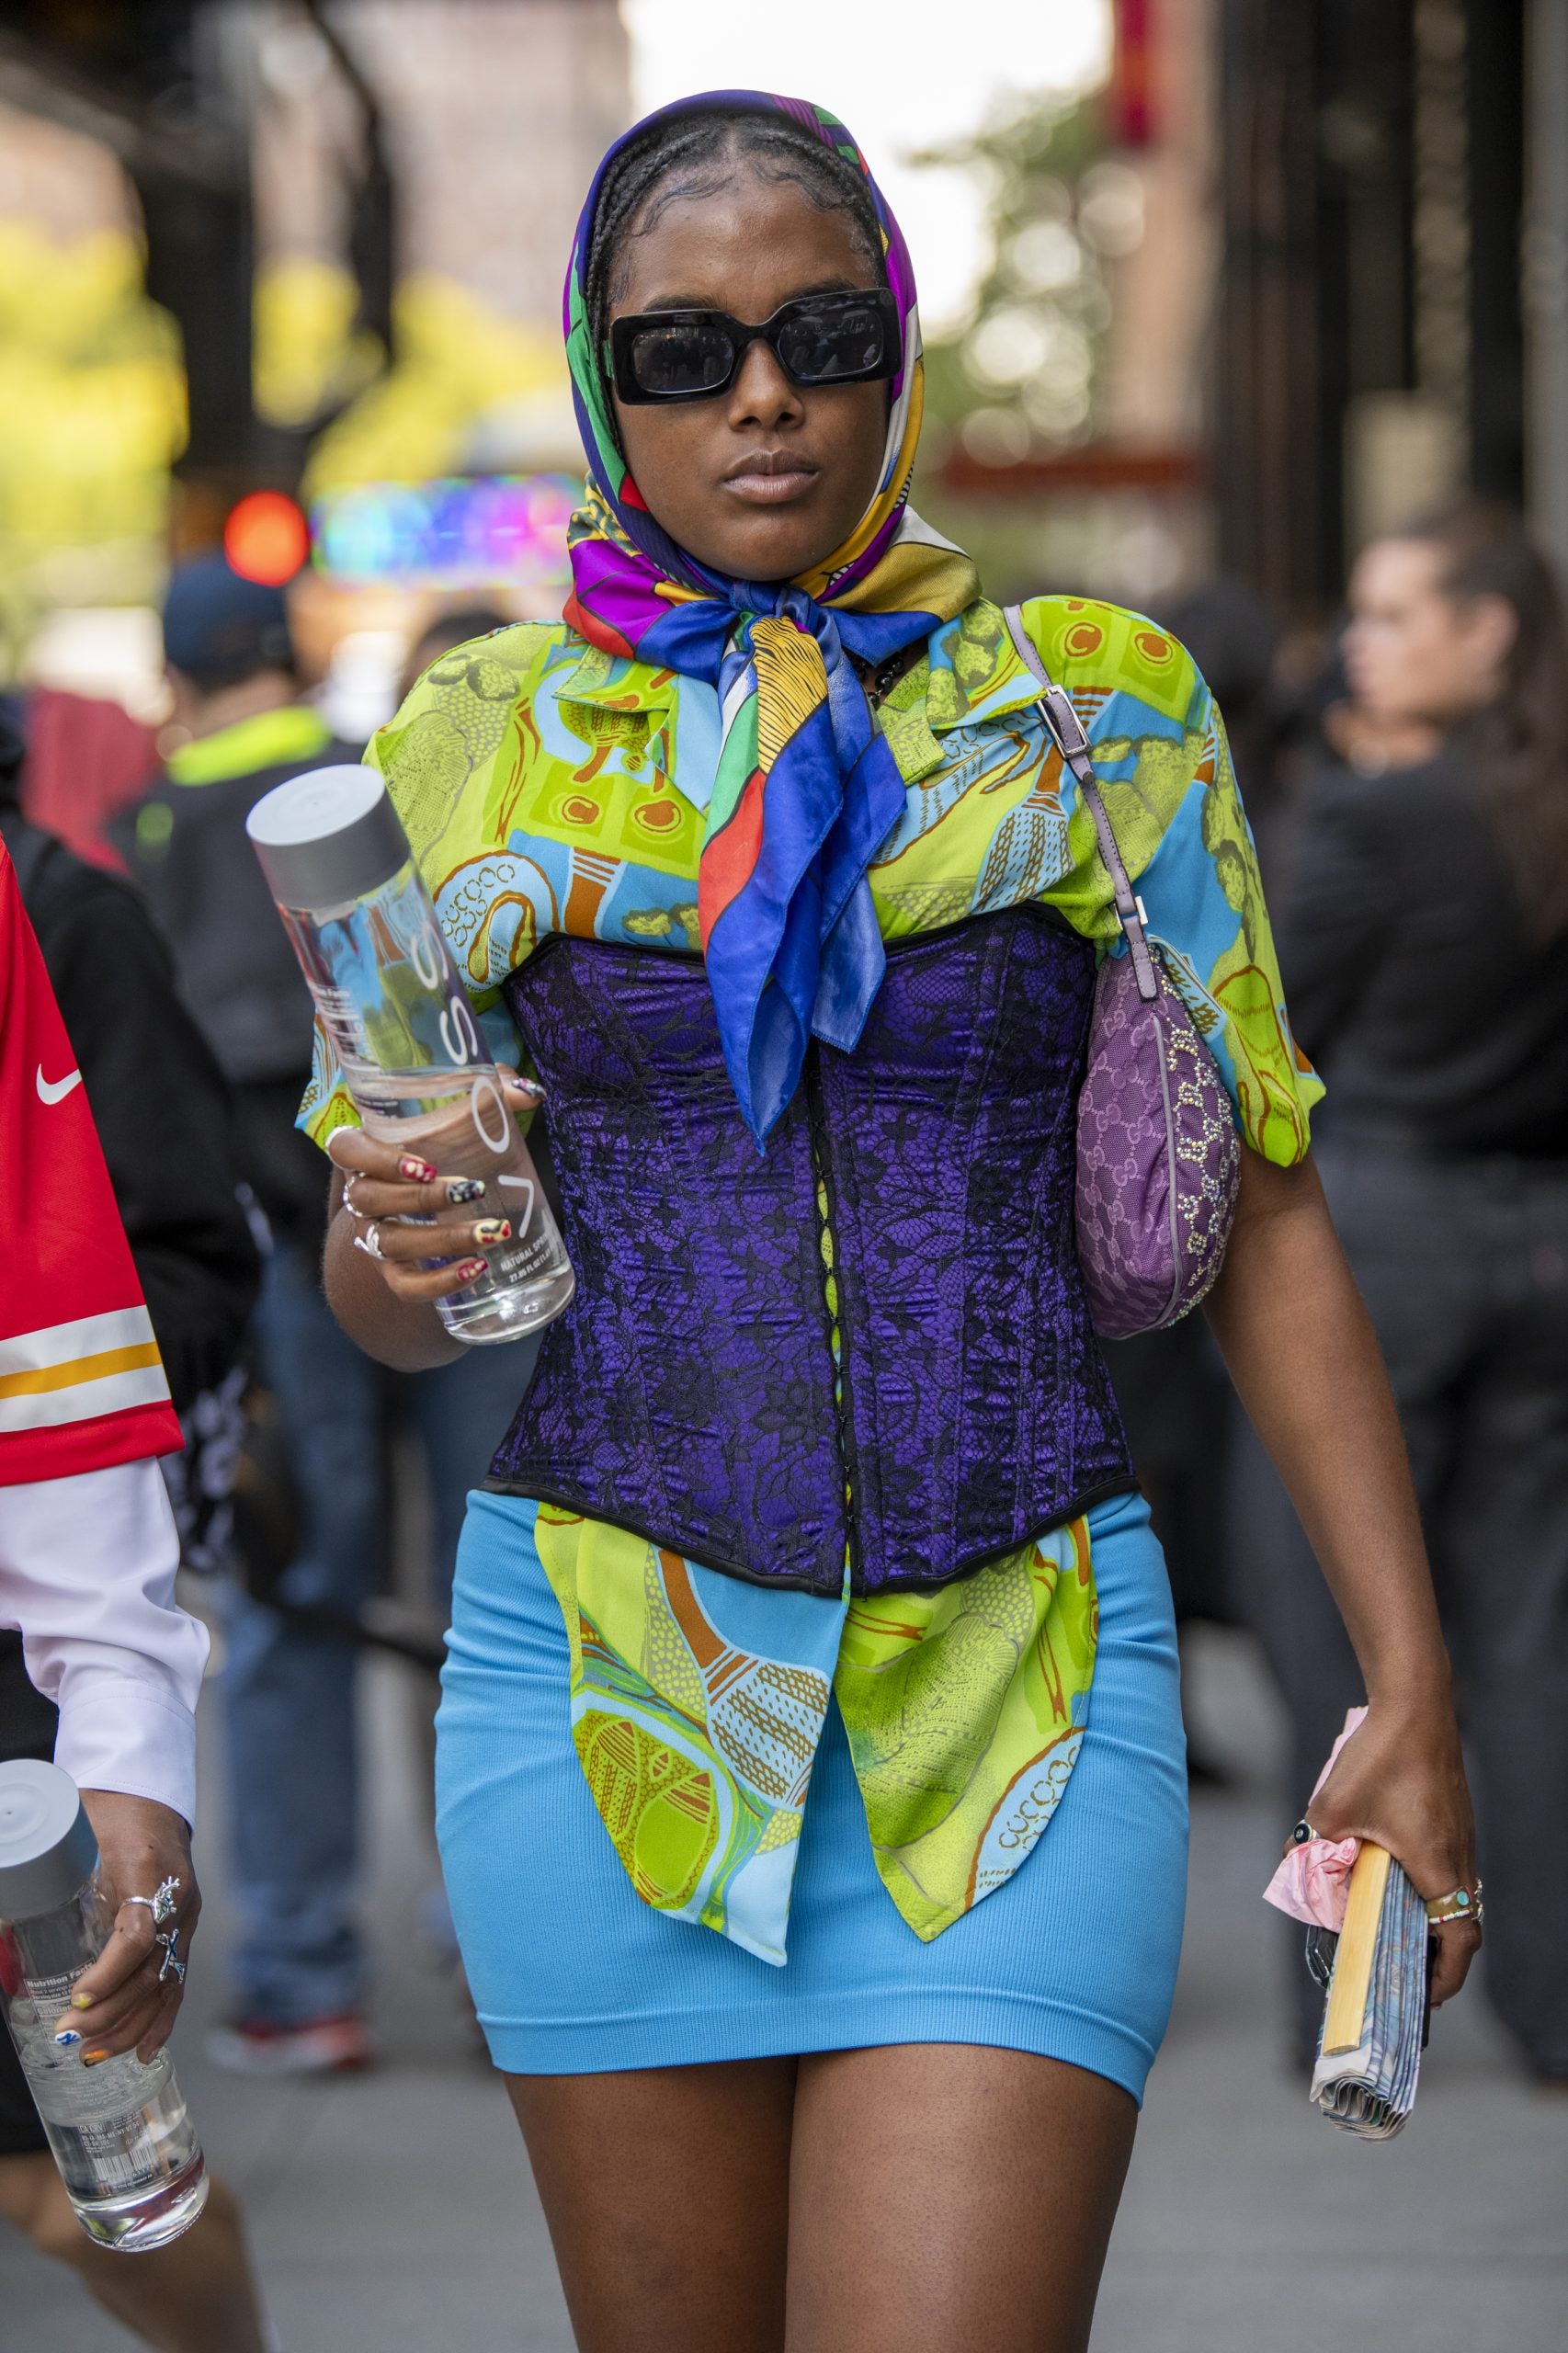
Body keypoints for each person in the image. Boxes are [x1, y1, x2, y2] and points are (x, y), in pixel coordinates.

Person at [317, 94, 1480, 2352]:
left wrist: (1406, 1686)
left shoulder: (1094, 708)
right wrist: (400, 1220)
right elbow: (388, 1309)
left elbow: (1266, 1213)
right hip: (600, 1683)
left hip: (1022, 1678)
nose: (758, 390)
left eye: (817, 329)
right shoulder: (472, 739)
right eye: (682, 350)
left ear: (892, 354)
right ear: (599, 373)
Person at [120, 555, 530, 2075]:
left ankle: (300, 1976)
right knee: (501, 1597)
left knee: (296, 1610)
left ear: (176, 678)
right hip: (474, 1218)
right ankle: (507, 1956)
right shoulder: (379, 781)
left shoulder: (146, 835)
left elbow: (172, 1083)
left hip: (289, 1262)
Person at [1240, 499, 1568, 2086]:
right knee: (1532, 1633)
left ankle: (1351, 1990)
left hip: (1388, 1242)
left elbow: (1265, 1030)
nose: (1356, 644)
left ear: (1486, 630)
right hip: (1547, 1245)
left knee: (1345, 1626)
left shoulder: (1386, 818)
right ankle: (1552, 2002)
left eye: (1389, 613)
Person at [0, 830, 267, 2351]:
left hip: (20, 1625)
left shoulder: (54, 910)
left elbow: (160, 1252)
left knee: (73, 2182)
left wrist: (121, 1733)